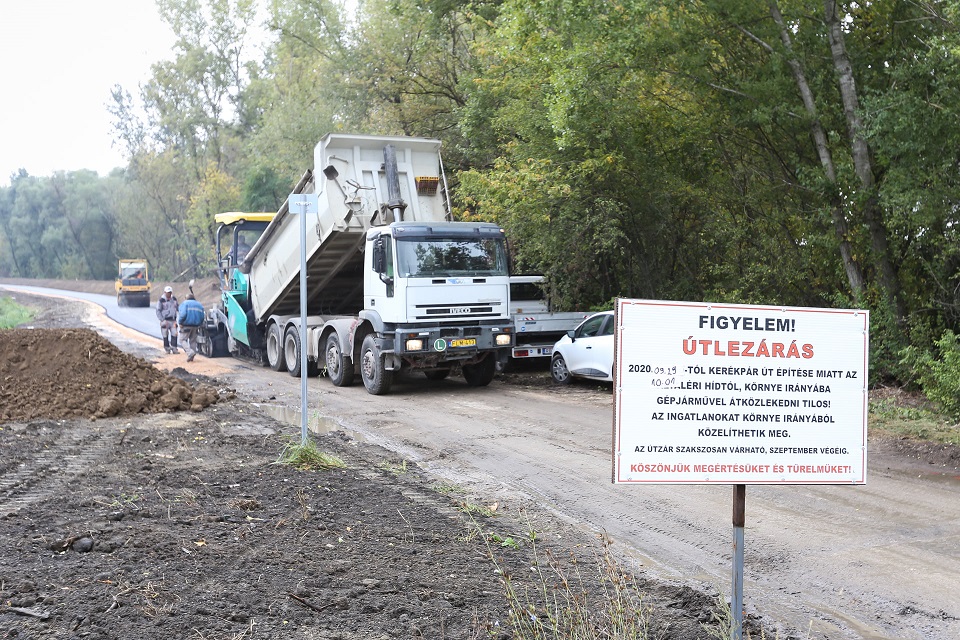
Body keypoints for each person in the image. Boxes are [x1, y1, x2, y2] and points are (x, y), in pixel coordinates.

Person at [177, 292, 206, 362]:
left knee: (182, 339)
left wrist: (180, 322)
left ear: (186, 298)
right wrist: (200, 323)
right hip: (196, 326)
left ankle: (190, 352)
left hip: (186, 325)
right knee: (193, 341)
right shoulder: (199, 305)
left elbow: (183, 314)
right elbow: (202, 316)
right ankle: (192, 357)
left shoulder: (185, 304)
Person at [156, 286, 180, 354]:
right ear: (165, 292)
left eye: (170, 292)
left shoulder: (174, 299)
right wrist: (162, 320)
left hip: (173, 320)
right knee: (165, 335)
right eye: (167, 293)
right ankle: (167, 348)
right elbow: (158, 311)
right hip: (165, 320)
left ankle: (174, 348)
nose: (169, 294)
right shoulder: (161, 300)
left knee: (174, 334)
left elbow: (178, 308)